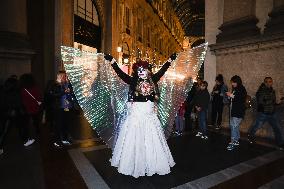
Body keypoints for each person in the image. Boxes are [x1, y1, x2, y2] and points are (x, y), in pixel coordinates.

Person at [104, 53, 177, 178]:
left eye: (143, 70)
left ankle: (152, 161)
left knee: (151, 135)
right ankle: (134, 162)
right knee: (134, 135)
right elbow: (120, 74)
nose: (141, 72)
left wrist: (169, 60)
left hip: (149, 112)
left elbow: (162, 71)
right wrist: (112, 61)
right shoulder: (133, 81)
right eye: (139, 70)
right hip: (137, 112)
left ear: (148, 70)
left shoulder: (152, 80)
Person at [248, 77, 284, 149]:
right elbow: (261, 102)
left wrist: (279, 103)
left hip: (272, 113)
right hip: (263, 113)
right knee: (256, 127)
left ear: (272, 82)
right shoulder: (261, 91)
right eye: (267, 82)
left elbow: (273, 102)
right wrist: (271, 102)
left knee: (278, 128)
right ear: (264, 83)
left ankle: (281, 143)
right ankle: (250, 136)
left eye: (270, 81)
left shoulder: (272, 91)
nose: (269, 83)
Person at [49, 71, 74, 148]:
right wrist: (63, 92)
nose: (65, 78)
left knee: (65, 124)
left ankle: (64, 138)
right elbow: (53, 95)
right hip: (58, 107)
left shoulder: (67, 84)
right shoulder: (55, 84)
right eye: (63, 76)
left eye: (65, 76)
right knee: (58, 124)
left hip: (67, 107)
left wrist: (71, 92)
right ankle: (57, 141)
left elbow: (71, 93)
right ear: (59, 76)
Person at [226, 75, 247, 151]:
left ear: (237, 82)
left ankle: (232, 142)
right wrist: (230, 96)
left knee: (233, 126)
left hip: (238, 111)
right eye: (232, 83)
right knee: (235, 126)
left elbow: (240, 98)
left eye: (233, 82)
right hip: (234, 110)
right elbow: (233, 98)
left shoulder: (242, 88)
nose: (232, 84)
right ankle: (236, 140)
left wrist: (231, 95)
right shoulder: (235, 88)